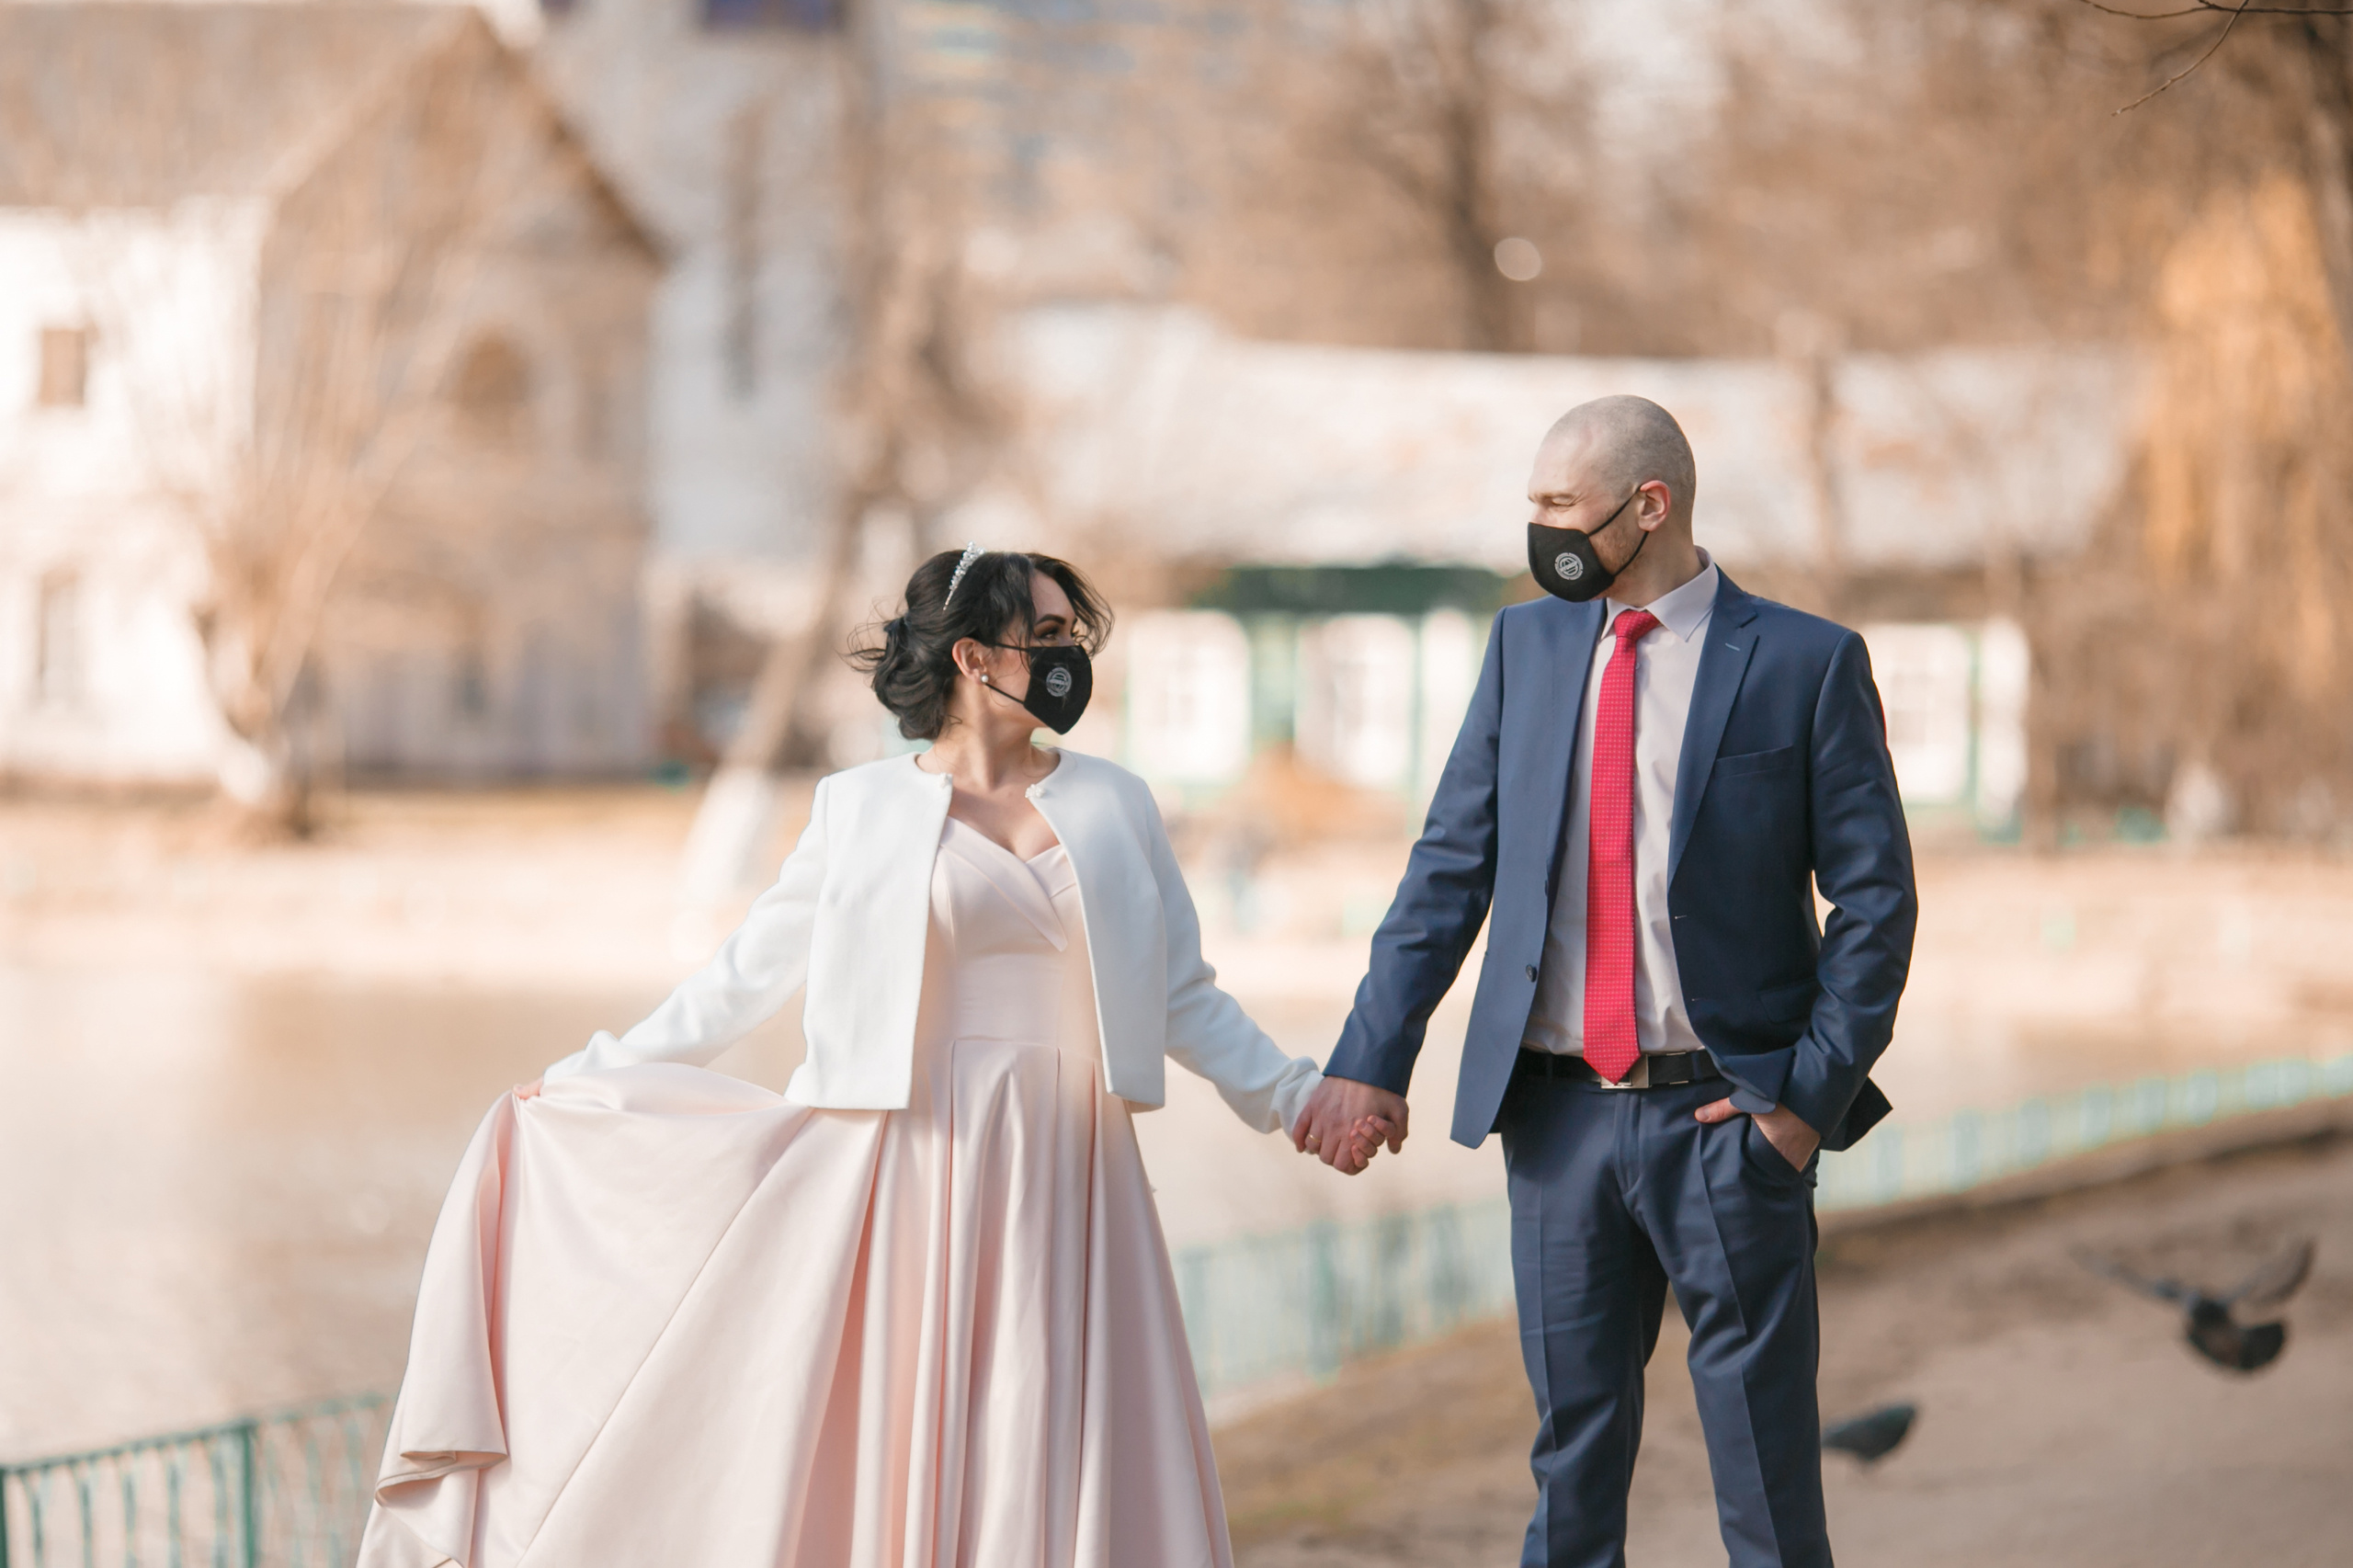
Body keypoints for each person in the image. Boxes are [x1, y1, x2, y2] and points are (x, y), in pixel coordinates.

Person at [359, 547, 1384, 1568]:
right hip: (910, 1165)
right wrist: (595, 1073)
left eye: (1077, 634)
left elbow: (1181, 991)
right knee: (904, 1438)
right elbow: (742, 977)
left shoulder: (1118, 803)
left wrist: (1296, 1096)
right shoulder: (860, 809)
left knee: (1059, 1427)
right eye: (1053, 636)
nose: (1074, 656)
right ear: (977, 657)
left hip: (1075, 1168)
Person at [1290, 397, 1918, 1568]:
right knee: (1570, 1459)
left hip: (1730, 1115)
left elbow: (1876, 904)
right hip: (1555, 1116)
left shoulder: (1804, 660)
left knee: (1767, 1470)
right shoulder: (1524, 648)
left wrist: (1803, 1100)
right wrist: (1369, 1060)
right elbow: (1449, 867)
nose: (1536, 527)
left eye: (1554, 505)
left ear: (1649, 505)